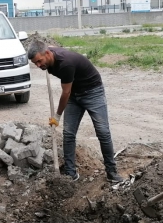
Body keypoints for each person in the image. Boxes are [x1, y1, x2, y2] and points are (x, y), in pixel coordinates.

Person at [28, 40, 124, 183]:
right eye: (35, 63)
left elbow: (65, 93)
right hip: (75, 93)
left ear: (47, 53)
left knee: (103, 131)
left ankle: (111, 172)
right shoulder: (50, 54)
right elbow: (54, 48)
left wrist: (57, 117)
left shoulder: (66, 64)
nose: (38, 65)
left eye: (39, 61)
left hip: (93, 92)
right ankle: (70, 173)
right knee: (68, 133)